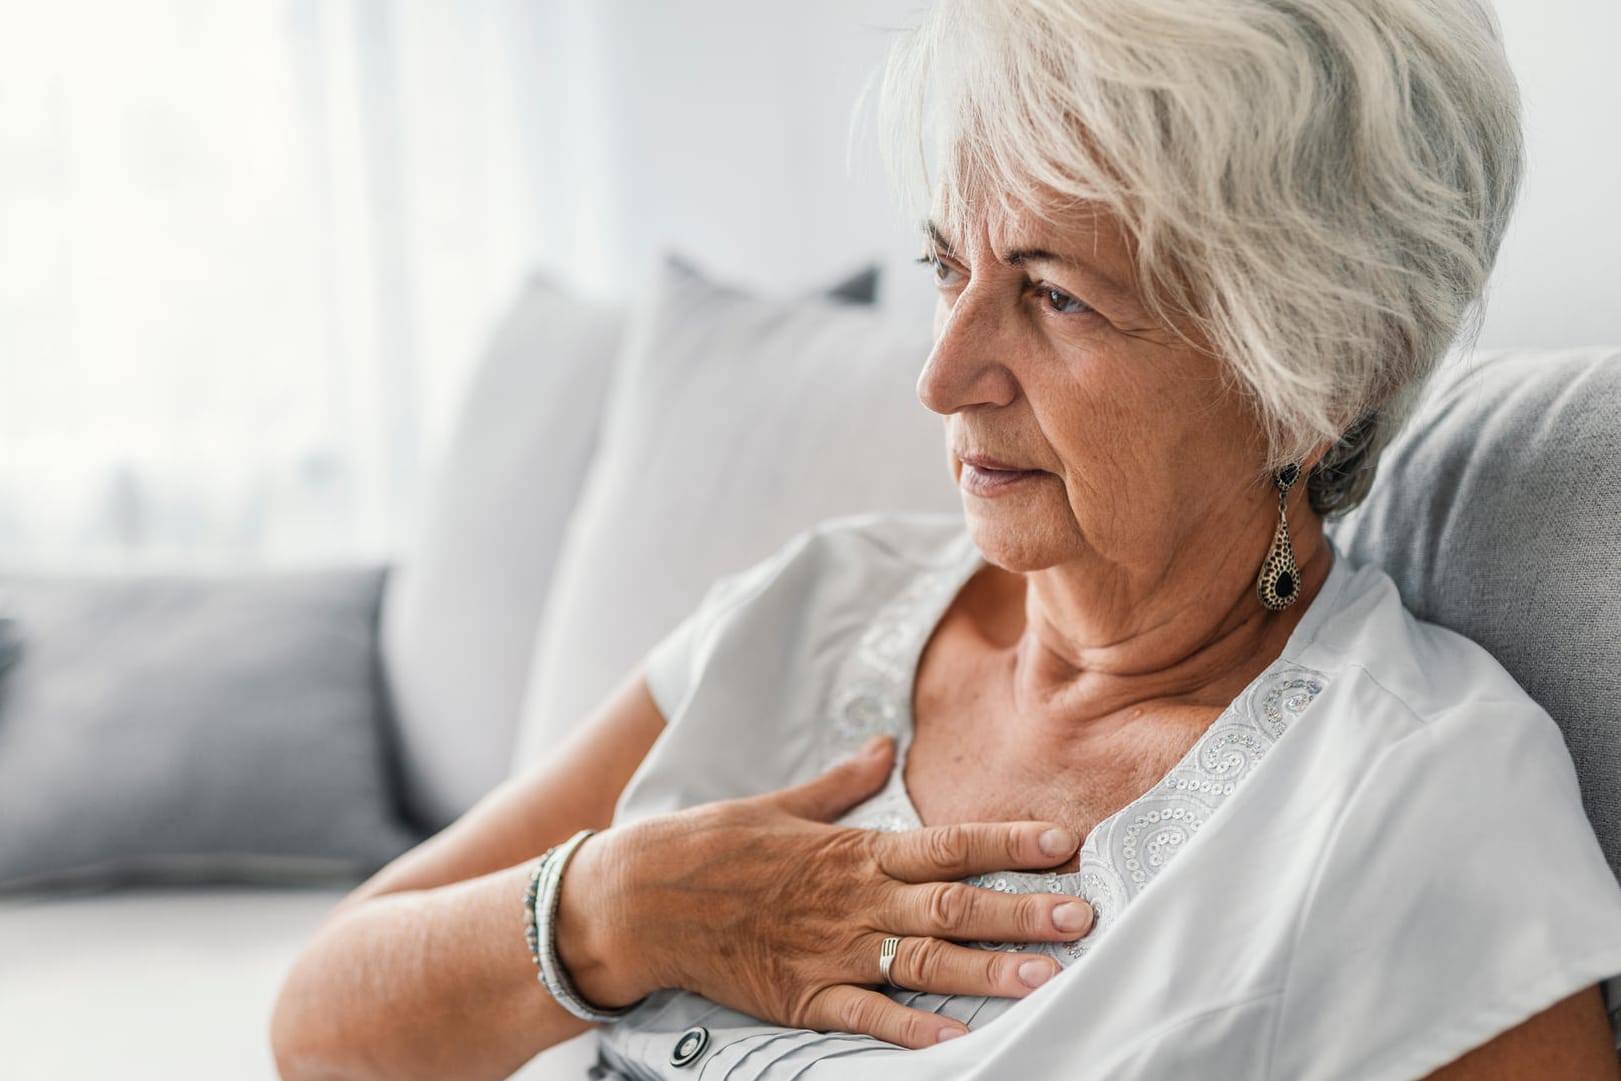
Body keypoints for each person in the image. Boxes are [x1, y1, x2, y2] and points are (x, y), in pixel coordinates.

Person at [272, 0, 1621, 1078]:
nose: (943, 372)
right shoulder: (810, 606)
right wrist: (620, 906)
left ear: (1317, 368)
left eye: (1051, 295)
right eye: (944, 270)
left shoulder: (1410, 790)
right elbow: (322, 1025)